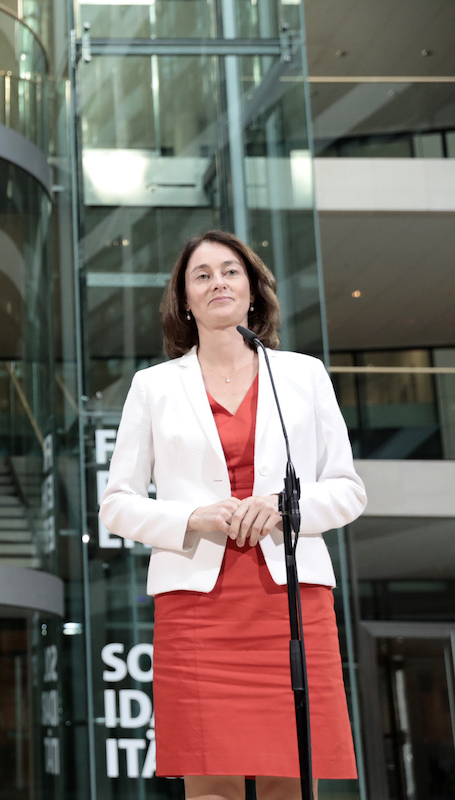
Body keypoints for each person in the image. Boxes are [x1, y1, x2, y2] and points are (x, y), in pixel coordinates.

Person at [99, 230, 366, 799]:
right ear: (185, 302)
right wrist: (193, 517)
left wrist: (281, 507)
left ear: (251, 292)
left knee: (290, 776)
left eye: (230, 271)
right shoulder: (153, 387)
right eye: (202, 275)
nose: (217, 281)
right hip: (198, 607)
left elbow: (347, 490)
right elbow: (116, 504)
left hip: (291, 601)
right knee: (209, 776)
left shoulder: (302, 374)